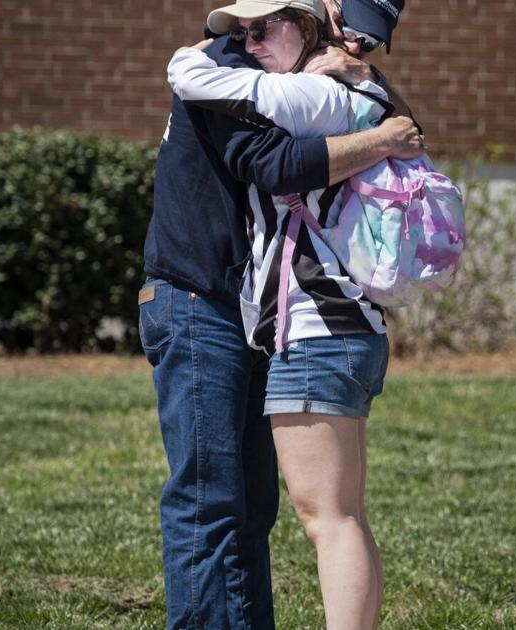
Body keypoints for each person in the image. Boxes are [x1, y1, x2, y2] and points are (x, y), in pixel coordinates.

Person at [139, 0, 419, 628]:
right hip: (194, 302)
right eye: (246, 27)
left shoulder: (305, 80)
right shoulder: (227, 68)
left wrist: (369, 88)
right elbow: (270, 165)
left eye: (263, 26)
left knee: (250, 502)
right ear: (320, 12)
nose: (250, 37)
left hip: (250, 311)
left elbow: (402, 123)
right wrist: (382, 135)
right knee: (209, 497)